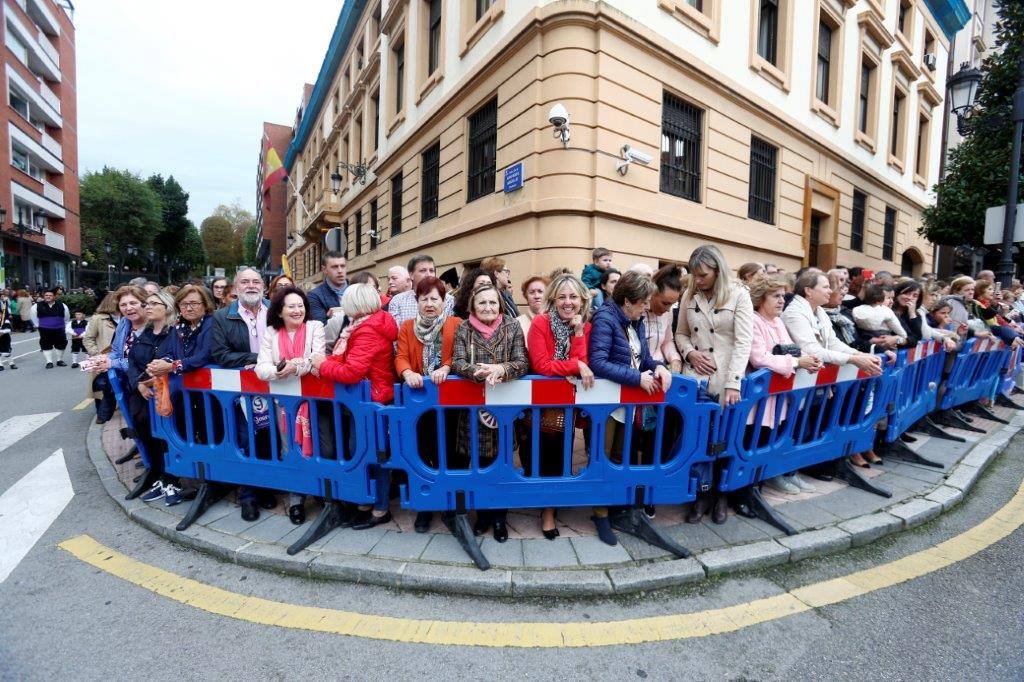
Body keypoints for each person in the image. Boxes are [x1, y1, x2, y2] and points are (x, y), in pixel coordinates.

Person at [588, 271, 672, 543]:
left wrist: (660, 367)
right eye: (644, 302)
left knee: (619, 456)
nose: (648, 307)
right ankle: (600, 514)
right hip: (608, 406)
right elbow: (598, 362)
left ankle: (614, 507)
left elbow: (644, 357)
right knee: (602, 457)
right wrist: (637, 378)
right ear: (627, 301)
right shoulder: (605, 318)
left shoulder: (636, 320)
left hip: (627, 403)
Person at [674, 245, 753, 523]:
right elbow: (681, 334)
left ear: (718, 271)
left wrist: (734, 383)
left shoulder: (739, 295)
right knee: (699, 440)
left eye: (703, 274)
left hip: (725, 379)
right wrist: (690, 353)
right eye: (694, 275)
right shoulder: (689, 294)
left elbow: (744, 342)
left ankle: (722, 495)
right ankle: (701, 495)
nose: (698, 280)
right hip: (696, 379)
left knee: (724, 440)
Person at [782, 270, 890, 468]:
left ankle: (812, 464)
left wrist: (860, 355)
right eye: (825, 287)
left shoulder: (819, 310)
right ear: (808, 290)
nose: (830, 290)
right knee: (798, 427)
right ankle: (794, 468)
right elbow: (812, 349)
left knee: (814, 421)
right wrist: (853, 359)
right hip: (801, 378)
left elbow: (833, 343)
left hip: (815, 379)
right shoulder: (795, 313)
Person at [312, 284, 399, 529]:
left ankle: (380, 509)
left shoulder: (367, 330)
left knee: (373, 456)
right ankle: (366, 504)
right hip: (369, 399)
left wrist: (321, 364)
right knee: (364, 453)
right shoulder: (369, 323)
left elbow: (351, 371)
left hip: (372, 400)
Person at [450, 282, 529, 542]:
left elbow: (522, 362)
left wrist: (502, 370)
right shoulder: (464, 327)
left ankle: (499, 518)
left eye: (492, 302)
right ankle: (482, 516)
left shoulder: (512, 326)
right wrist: (479, 373)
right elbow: (458, 362)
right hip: (473, 411)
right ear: (473, 305)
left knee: (501, 465)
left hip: (504, 410)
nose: (488, 307)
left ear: (500, 304)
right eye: (482, 302)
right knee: (478, 466)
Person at [527, 274, 595, 539]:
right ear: (553, 299)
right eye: (562, 297)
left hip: (569, 405)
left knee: (560, 454)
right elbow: (541, 365)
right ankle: (543, 506)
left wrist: (578, 334)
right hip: (540, 404)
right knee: (540, 455)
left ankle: (550, 507)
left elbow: (586, 361)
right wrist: (575, 365)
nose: (568, 303)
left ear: (582, 299)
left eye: (573, 297)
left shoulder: (586, 327)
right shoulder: (541, 323)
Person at [394, 276, 462, 533]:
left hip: (450, 403)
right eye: (425, 299)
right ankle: (425, 506)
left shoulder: (456, 324)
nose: (430, 304)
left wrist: (447, 366)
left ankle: (452, 508)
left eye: (435, 298)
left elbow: (461, 355)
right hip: (419, 403)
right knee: (423, 453)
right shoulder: (407, 327)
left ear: (444, 302)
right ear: (417, 301)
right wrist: (407, 373)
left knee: (452, 453)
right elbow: (400, 356)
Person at [254, 286, 326, 525]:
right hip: (283, 403)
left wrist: (296, 366)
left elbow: (318, 359)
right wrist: (278, 371)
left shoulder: (315, 327)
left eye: (301, 305)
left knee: (317, 446)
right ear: (280, 311)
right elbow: (261, 368)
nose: (298, 310)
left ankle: (322, 493)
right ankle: (296, 499)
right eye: (291, 306)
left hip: (313, 402)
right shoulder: (271, 334)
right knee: (288, 447)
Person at [747, 276, 822, 494]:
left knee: (776, 436)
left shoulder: (778, 321)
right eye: (776, 296)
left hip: (779, 392)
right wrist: (799, 362)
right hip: (760, 395)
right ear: (761, 298)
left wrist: (810, 358)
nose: (782, 300)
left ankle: (776, 473)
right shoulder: (753, 320)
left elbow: (792, 348)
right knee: (758, 438)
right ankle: (757, 483)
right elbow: (759, 358)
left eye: (783, 296)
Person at [210, 268, 275, 521]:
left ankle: (266, 488)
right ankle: (248, 496)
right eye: (245, 281)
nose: (251, 285)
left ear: (264, 286)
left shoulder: (276, 310)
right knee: (246, 440)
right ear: (235, 288)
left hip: (275, 389)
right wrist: (259, 358)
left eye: (256, 281)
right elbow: (221, 355)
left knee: (269, 438)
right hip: (239, 394)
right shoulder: (222, 317)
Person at [128, 290, 183, 505]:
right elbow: (132, 361)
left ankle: (172, 480)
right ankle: (160, 476)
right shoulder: (146, 332)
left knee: (167, 437)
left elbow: (174, 363)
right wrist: (139, 383)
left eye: (153, 303)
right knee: (147, 434)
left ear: (167, 306)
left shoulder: (175, 334)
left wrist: (150, 381)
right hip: (143, 396)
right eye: (146, 303)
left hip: (166, 395)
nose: (147, 307)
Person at [389, 255, 454, 326]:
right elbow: (397, 333)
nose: (428, 275)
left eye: (431, 270)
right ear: (411, 275)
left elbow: (449, 330)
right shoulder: (397, 301)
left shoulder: (448, 300)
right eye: (423, 271)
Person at [646, 265, 684, 373]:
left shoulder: (668, 313)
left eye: (672, 304)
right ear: (652, 293)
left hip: (660, 370)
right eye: (665, 303)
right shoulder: (637, 311)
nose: (668, 309)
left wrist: (675, 359)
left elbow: (667, 341)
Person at [851, 285, 907, 350]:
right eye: (888, 298)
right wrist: (899, 338)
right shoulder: (887, 311)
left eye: (892, 298)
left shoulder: (855, 310)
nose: (892, 301)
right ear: (880, 300)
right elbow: (903, 334)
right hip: (881, 349)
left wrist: (895, 339)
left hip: (866, 349)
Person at [31, 289, 70, 368]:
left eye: (50, 295)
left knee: (61, 343)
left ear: (54, 297)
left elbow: (66, 317)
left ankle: (59, 360)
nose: (48, 297)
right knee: (46, 344)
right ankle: (49, 362)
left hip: (59, 328)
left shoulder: (62, 305)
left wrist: (65, 326)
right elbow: (34, 317)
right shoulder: (36, 306)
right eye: (46, 295)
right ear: (43, 296)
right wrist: (39, 325)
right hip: (44, 329)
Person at [307, 251, 348, 324]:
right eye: (335, 267)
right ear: (324, 270)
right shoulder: (314, 296)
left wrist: (337, 315)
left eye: (342, 266)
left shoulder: (357, 290)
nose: (340, 271)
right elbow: (321, 326)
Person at [517, 275, 549, 343]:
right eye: (532, 292)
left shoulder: (556, 321)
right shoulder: (517, 324)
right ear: (526, 296)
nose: (536, 296)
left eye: (540, 291)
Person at [891, 280, 924, 346]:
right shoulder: (889, 310)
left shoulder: (916, 315)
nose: (910, 298)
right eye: (907, 293)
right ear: (897, 294)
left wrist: (912, 313)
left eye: (915, 295)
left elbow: (917, 338)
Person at [0, 290, 13, 370]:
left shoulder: (4, 303)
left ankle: (11, 363)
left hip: (3, 330)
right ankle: (0, 365)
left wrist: (3, 331)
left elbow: (6, 315)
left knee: (7, 348)